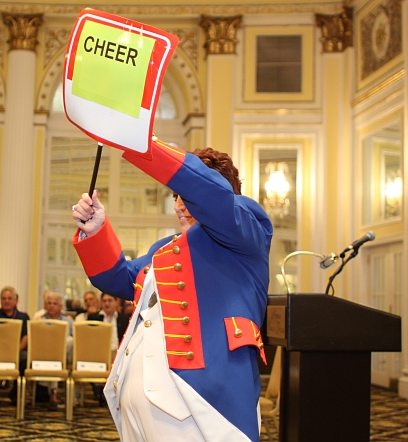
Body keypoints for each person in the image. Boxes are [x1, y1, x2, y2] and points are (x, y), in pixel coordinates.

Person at [72, 140, 272, 442]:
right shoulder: (165, 247)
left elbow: (214, 197)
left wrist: (143, 142)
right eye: (175, 195)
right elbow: (117, 278)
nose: (178, 204)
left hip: (200, 404)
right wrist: (95, 230)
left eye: (186, 194)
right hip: (136, 405)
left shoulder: (246, 227)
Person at [0, 286, 29, 407]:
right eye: (4, 298)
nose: (6, 301)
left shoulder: (23, 317)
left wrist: (14, 351)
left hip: (16, 351)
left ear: (16, 300)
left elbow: (25, 339)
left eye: (9, 298)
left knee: (25, 357)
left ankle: (15, 392)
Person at [38, 290, 74, 408]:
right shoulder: (40, 321)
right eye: (49, 303)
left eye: (54, 303)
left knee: (70, 341)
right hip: (46, 355)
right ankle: (53, 393)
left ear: (60, 306)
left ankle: (55, 393)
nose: (51, 306)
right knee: (53, 355)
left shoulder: (69, 322)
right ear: (45, 305)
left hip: (66, 357)